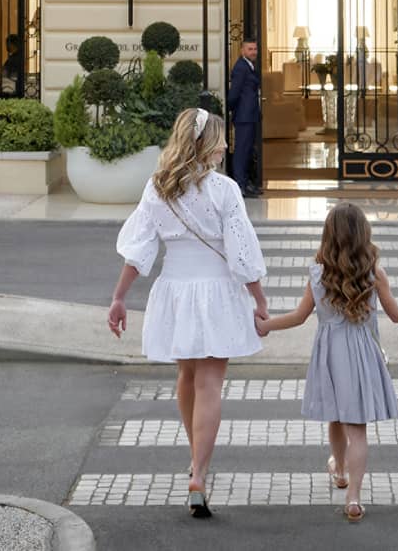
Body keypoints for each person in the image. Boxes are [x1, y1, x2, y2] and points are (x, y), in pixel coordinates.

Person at [108, 106, 270, 518]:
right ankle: (199, 470)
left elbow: (139, 249)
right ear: (205, 144)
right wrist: (260, 298)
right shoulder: (225, 190)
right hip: (217, 292)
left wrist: (119, 297)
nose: (227, 144)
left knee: (187, 375)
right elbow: (241, 252)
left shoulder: (157, 187)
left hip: (176, 291)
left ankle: (196, 457)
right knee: (211, 384)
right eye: (220, 138)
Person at [258, 202, 398, 522]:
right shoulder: (374, 272)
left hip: (329, 351)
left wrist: (266, 325)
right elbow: (395, 315)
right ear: (363, 235)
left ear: (328, 235)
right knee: (358, 429)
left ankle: (339, 470)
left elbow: (299, 317)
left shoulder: (318, 273)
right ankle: (353, 497)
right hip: (362, 351)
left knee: (335, 417)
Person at [227, 39, 262, 197]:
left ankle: (246, 183)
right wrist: (233, 109)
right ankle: (239, 185)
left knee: (247, 151)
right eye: (250, 49)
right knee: (241, 151)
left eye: (255, 49)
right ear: (242, 51)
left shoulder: (250, 66)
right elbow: (234, 93)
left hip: (250, 116)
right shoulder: (241, 67)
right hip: (243, 117)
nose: (253, 52)